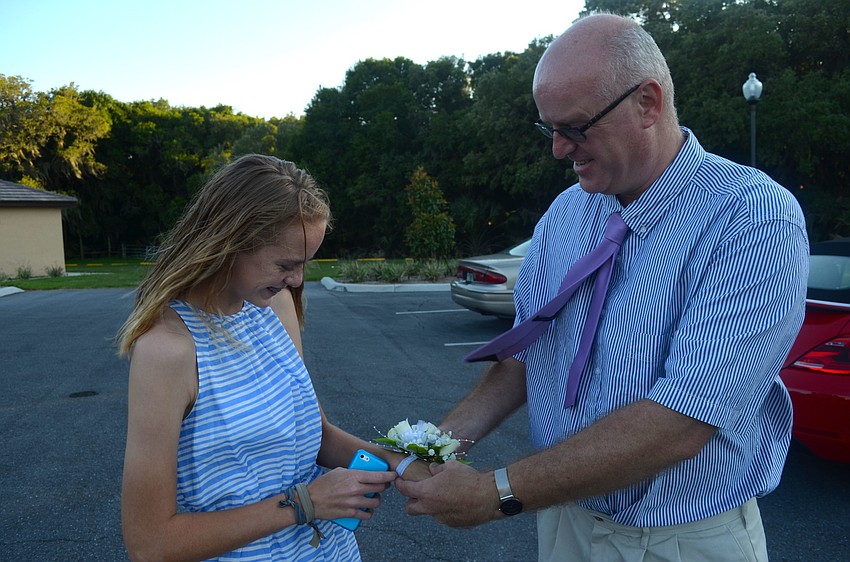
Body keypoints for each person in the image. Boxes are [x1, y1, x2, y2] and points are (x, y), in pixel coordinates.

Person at [396, 13, 808, 562]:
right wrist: (438, 443)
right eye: (550, 129)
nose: (559, 150)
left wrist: (496, 494)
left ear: (648, 103)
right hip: (565, 517)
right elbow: (527, 353)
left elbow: (683, 420)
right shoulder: (566, 214)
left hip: (683, 540)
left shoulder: (753, 216)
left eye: (576, 127)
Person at [117, 154, 424, 561]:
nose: (297, 281)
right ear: (230, 240)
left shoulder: (274, 307)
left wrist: (400, 464)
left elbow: (317, 434)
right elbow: (150, 544)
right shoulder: (167, 351)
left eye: (304, 264)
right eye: (286, 264)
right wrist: (303, 503)